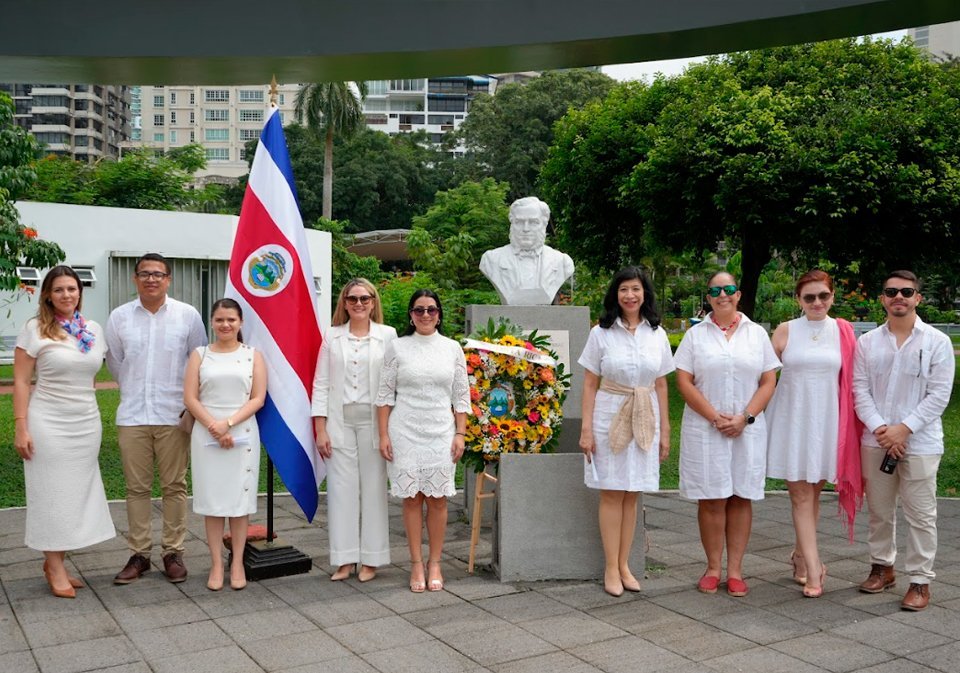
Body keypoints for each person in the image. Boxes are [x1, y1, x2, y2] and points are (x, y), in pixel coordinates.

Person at [12, 266, 116, 598]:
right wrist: (21, 427)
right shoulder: (34, 330)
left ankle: (56, 561)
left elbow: (93, 375)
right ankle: (54, 565)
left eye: (72, 289)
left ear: (80, 293)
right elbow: (20, 382)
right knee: (52, 492)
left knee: (74, 494)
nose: (67, 295)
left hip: (85, 421)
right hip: (48, 421)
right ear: (47, 294)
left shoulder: (93, 329)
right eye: (59, 290)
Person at [674, 272, 780, 597]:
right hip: (706, 429)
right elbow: (683, 381)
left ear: (739, 295)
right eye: (716, 290)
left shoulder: (757, 334)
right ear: (708, 297)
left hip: (746, 429)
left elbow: (768, 381)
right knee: (712, 497)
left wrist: (744, 417)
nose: (723, 294)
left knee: (740, 496)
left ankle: (735, 570)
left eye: (729, 289)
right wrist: (714, 416)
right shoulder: (695, 336)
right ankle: (712, 567)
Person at [853, 270, 954, 611]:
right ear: (882, 298)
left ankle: (920, 580)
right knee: (880, 512)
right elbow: (859, 390)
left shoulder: (937, 342)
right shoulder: (867, 342)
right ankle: (882, 567)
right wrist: (884, 429)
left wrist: (904, 429)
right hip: (876, 440)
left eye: (906, 291)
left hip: (921, 443)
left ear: (918, 298)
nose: (899, 297)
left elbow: (939, 396)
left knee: (921, 515)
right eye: (891, 291)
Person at [105, 253, 207, 584]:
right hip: (133, 415)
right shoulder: (120, 318)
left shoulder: (187, 316)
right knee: (136, 488)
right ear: (135, 279)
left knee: (175, 485)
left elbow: (198, 362)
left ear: (168, 279)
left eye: (158, 274)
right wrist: (135, 392)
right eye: (145, 274)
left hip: (173, 415)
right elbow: (117, 365)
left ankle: (172, 551)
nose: (151, 279)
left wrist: (188, 408)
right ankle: (139, 554)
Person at [766, 270, 863, 598]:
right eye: (809, 297)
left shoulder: (844, 331)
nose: (817, 302)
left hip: (827, 422)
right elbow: (763, 378)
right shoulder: (785, 331)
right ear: (799, 300)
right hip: (792, 419)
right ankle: (814, 568)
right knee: (800, 495)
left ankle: (798, 555)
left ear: (832, 297)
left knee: (814, 492)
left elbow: (854, 381)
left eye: (823, 296)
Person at [578, 267, 674, 597]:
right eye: (623, 290)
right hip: (610, 414)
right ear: (615, 295)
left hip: (645, 414)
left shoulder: (656, 333)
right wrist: (586, 429)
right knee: (612, 490)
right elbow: (590, 383)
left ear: (644, 293)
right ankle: (609, 567)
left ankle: (624, 565)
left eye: (635, 289)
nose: (629, 295)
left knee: (633, 492)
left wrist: (665, 430)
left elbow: (661, 384)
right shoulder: (601, 333)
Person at [376, 290, 470, 593]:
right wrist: (383, 434)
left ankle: (435, 563)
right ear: (411, 315)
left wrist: (460, 433)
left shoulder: (452, 348)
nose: (425, 315)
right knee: (412, 498)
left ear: (439, 314)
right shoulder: (397, 348)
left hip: (441, 432)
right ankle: (416, 563)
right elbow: (384, 396)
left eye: (431, 310)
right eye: (419, 310)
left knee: (439, 500)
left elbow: (461, 396)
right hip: (404, 431)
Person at [312, 279, 397, 583]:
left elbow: (391, 386)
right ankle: (345, 559)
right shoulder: (332, 336)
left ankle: (372, 559)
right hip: (340, 421)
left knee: (374, 489)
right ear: (344, 303)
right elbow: (321, 383)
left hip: (375, 423)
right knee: (340, 490)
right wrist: (320, 429)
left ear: (374, 302)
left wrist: (387, 431)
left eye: (364, 298)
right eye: (352, 299)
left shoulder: (388, 336)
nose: (358, 304)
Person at [183, 298, 266, 591]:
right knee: (214, 503)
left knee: (238, 503)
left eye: (231, 319)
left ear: (241, 322)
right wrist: (213, 426)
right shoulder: (200, 355)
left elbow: (258, 398)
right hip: (207, 435)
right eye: (219, 319)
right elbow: (191, 398)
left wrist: (228, 423)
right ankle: (216, 562)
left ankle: (238, 562)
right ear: (212, 322)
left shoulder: (252, 355)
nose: (225, 325)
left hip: (242, 433)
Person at [479, 196, 575, 305]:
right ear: (512, 224)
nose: (526, 229)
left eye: (533, 222)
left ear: (544, 225)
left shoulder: (562, 262)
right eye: (519, 222)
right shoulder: (491, 260)